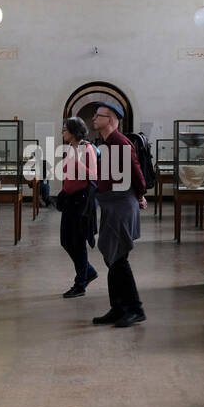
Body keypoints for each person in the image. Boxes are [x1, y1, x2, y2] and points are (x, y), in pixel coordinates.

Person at [90, 102, 147, 326]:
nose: (94, 119)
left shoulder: (120, 142)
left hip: (121, 205)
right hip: (111, 205)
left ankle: (135, 309)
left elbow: (137, 174)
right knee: (111, 257)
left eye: (98, 116)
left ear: (112, 119)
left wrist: (140, 194)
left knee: (119, 258)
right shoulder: (107, 142)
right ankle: (118, 307)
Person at [54, 117, 98, 297]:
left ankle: (80, 283)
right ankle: (88, 271)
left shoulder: (87, 149)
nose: (62, 132)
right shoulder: (70, 149)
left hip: (82, 200)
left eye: (65, 129)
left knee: (78, 242)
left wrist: (77, 164)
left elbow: (94, 175)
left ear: (73, 131)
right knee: (65, 240)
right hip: (70, 199)